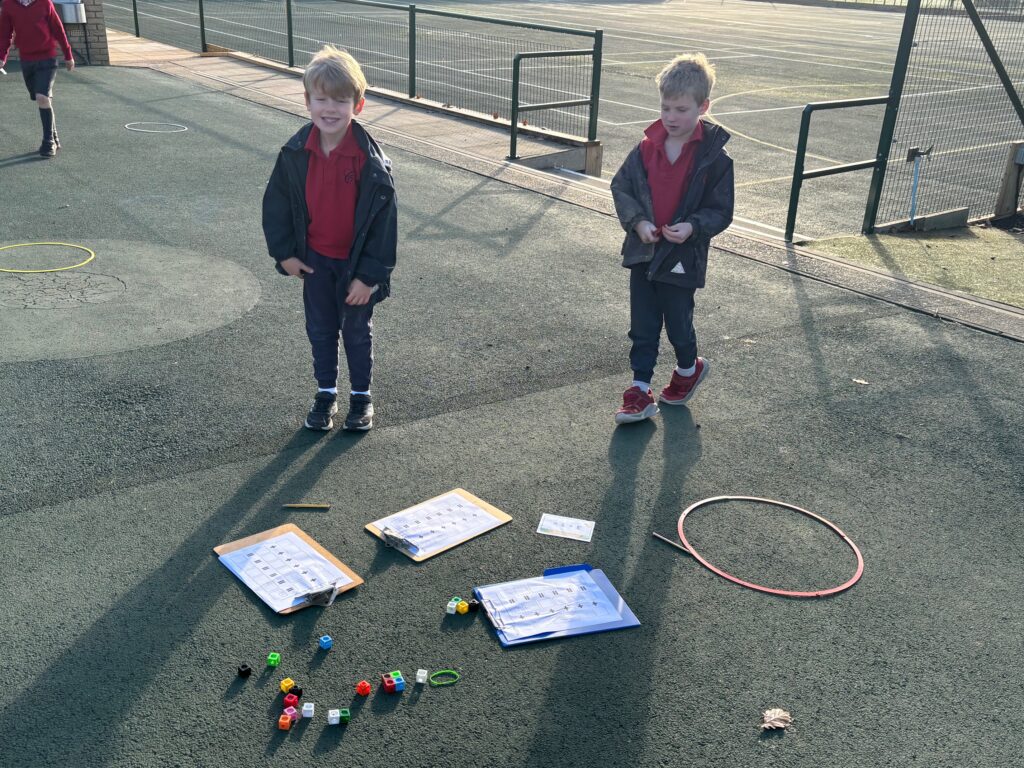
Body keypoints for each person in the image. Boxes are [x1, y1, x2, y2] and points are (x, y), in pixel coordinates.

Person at [262, 45, 396, 432]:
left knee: (355, 330)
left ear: (359, 105)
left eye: (341, 100)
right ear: (308, 101)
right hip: (315, 262)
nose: (331, 109)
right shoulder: (294, 153)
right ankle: (325, 392)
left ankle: (361, 397)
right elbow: (277, 206)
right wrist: (285, 254)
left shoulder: (371, 164)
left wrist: (369, 276)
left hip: (355, 269)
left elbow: (385, 227)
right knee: (320, 329)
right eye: (322, 99)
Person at [610, 53, 733, 425]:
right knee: (643, 324)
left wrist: (693, 227)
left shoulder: (715, 160)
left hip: (682, 255)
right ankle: (639, 389)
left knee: (678, 323)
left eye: (681, 108)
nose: (671, 117)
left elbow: (720, 210)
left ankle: (686, 369)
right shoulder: (645, 148)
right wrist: (638, 222)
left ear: (703, 107)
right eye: (665, 107)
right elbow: (622, 187)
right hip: (645, 252)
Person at [0, 0, 75, 157]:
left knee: (42, 97)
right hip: (27, 60)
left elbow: (58, 30)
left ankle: (48, 143)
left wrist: (68, 55)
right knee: (43, 97)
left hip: (47, 58)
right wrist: (2, 57)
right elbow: (5, 34)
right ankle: (54, 135)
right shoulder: (8, 5)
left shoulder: (45, 3)